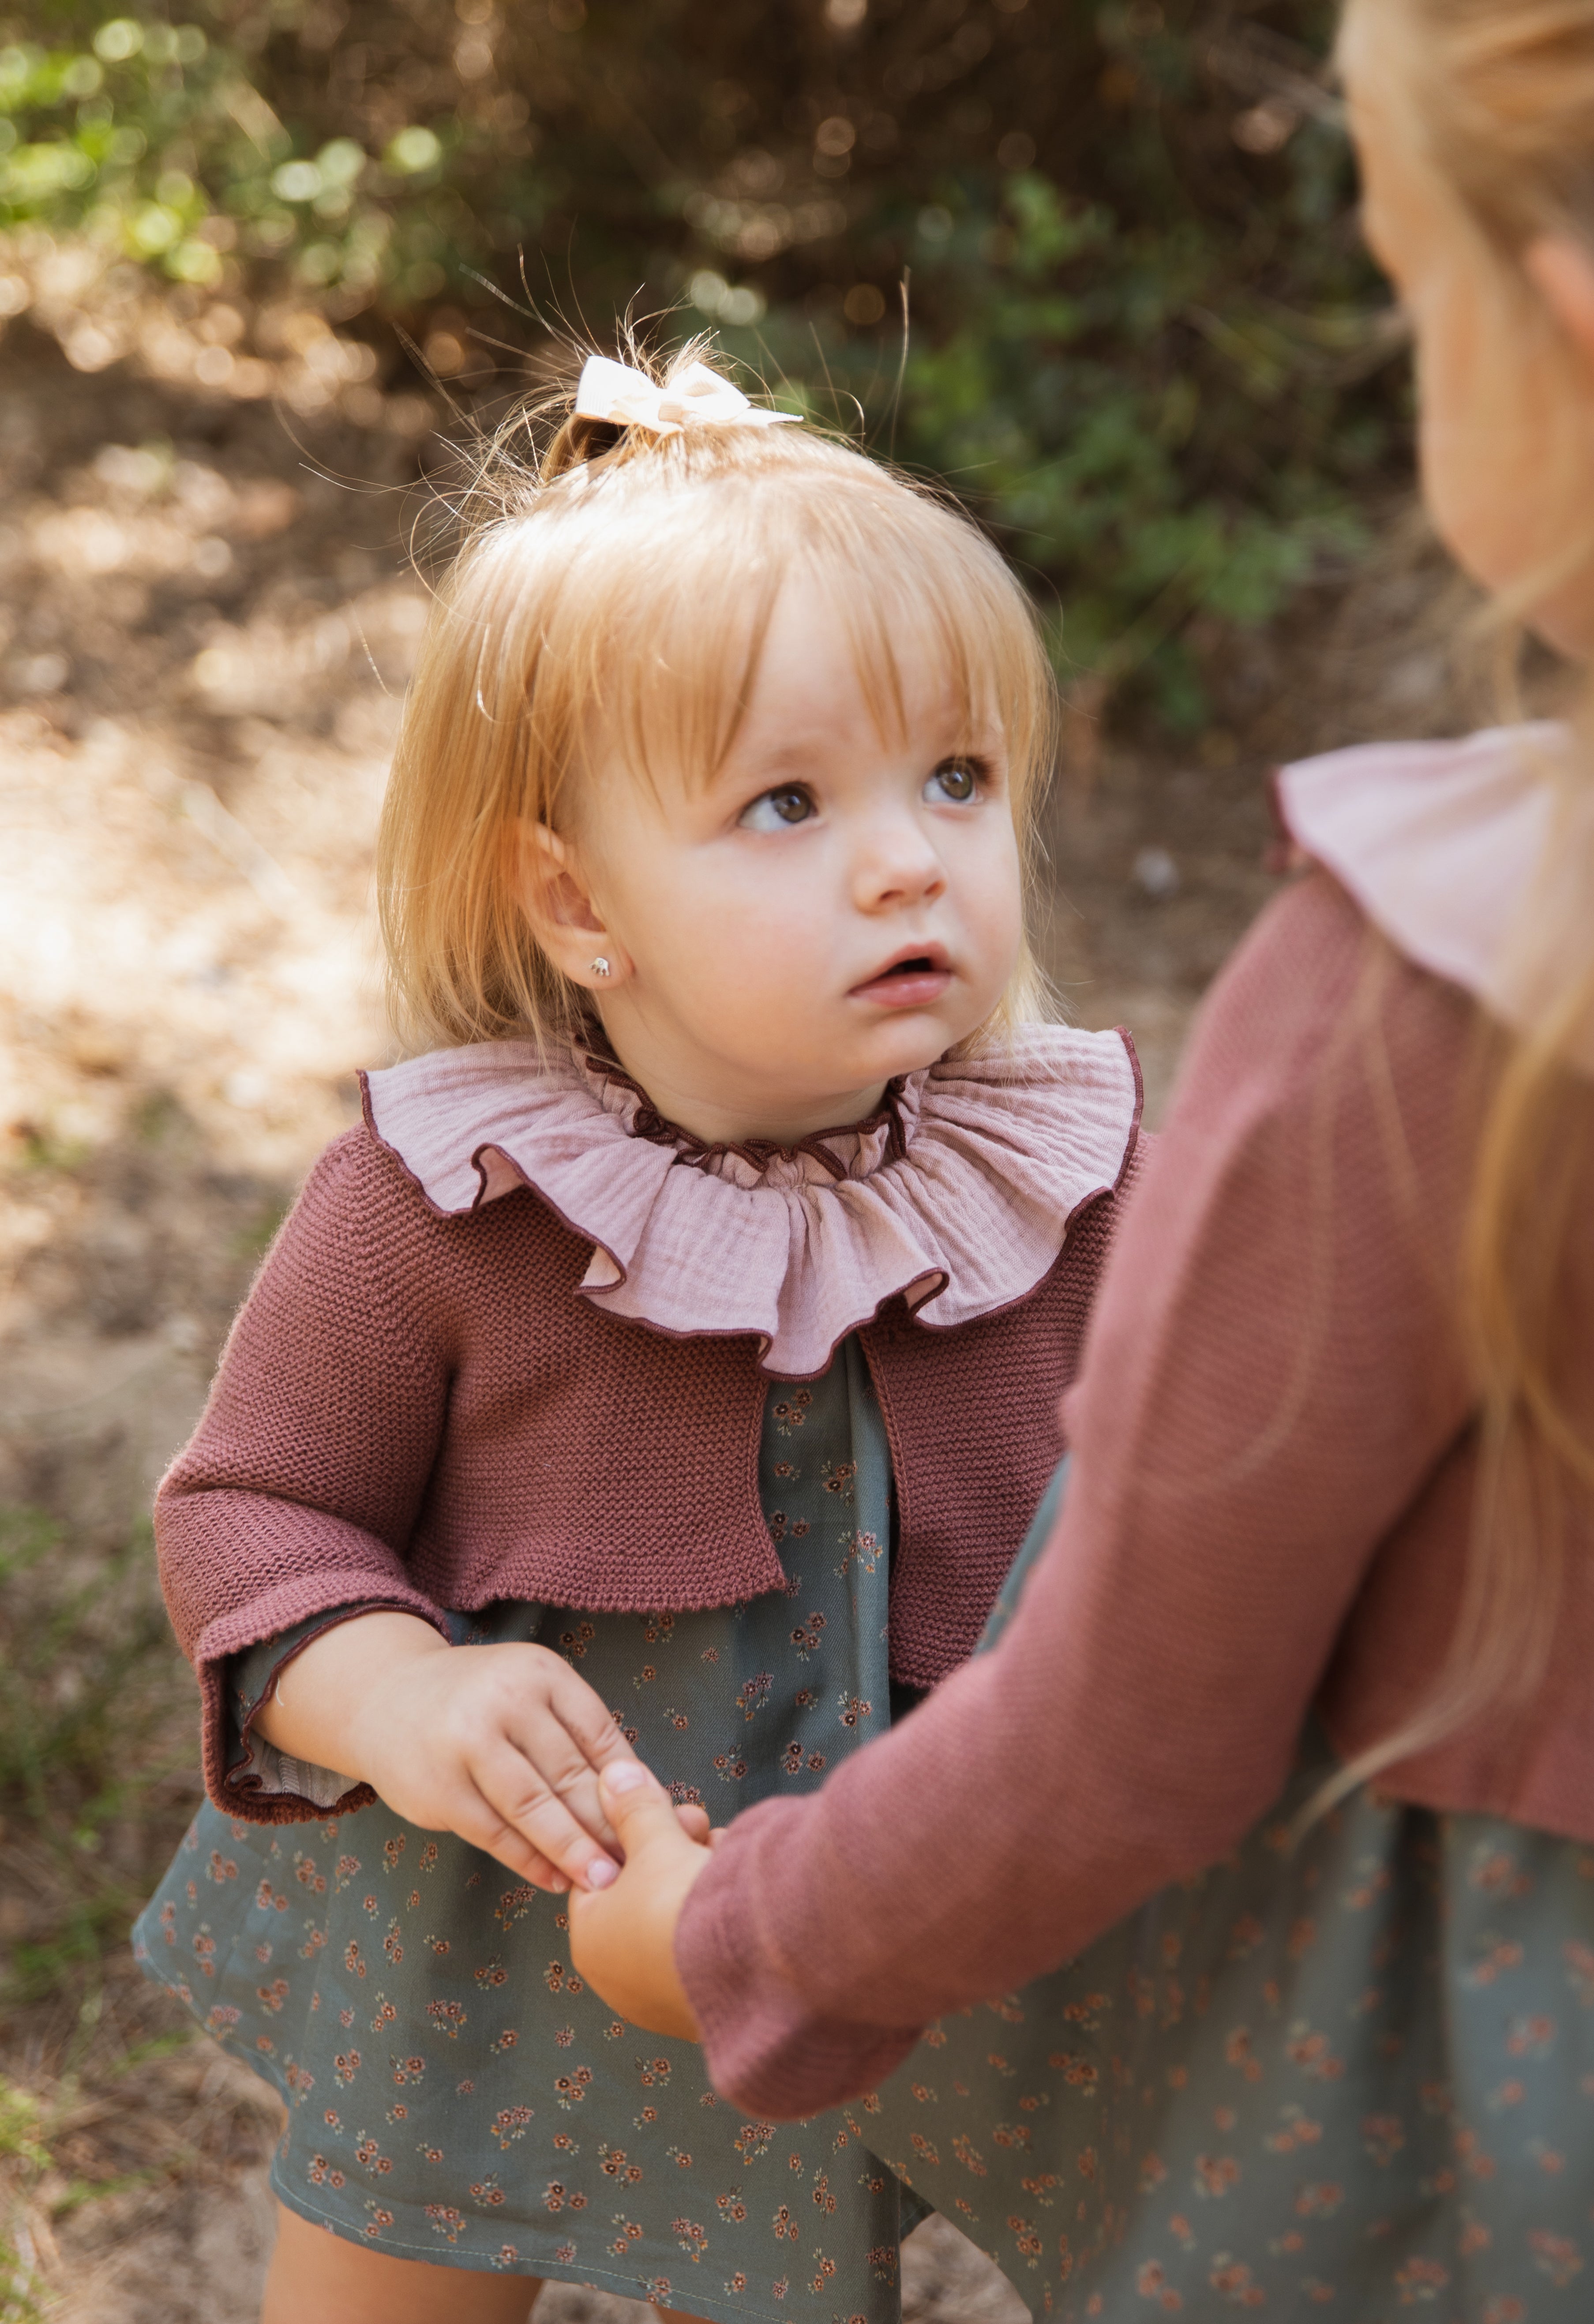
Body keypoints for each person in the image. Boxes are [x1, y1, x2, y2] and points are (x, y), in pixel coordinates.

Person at [570, 4, 1594, 2315]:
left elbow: (1125, 1735)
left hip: (1503, 2172)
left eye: (1411, 294)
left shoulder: (1439, 1009)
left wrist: (730, 1933)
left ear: (1575, 355)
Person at [130, 348, 1148, 2324]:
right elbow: (252, 1517)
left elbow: (1209, 1495)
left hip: (830, 1913)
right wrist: (397, 1697)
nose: (907, 857)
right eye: (787, 801)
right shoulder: (452, 1205)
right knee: (390, 2290)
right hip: (484, 1922)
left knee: (776, 2280)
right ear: (575, 899)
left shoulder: (1065, 1191)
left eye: (956, 776)